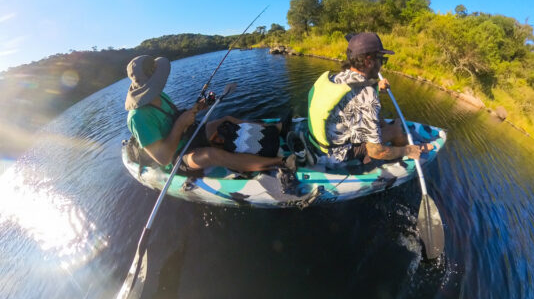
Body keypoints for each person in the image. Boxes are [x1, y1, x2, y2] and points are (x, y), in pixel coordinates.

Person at [124, 54, 295, 178]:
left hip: (190, 134)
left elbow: (176, 117)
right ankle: (279, 162)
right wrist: (180, 125)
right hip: (177, 157)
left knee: (226, 120)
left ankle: (278, 128)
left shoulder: (158, 94)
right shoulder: (138, 117)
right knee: (211, 155)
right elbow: (163, 158)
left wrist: (199, 108)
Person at [307, 32, 429, 167]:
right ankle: (406, 152)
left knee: (379, 118)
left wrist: (375, 86)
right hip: (335, 155)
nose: (382, 65)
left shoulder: (337, 78)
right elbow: (376, 151)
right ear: (369, 62)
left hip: (317, 144)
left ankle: (391, 131)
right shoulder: (367, 96)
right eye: (382, 60)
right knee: (396, 131)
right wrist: (406, 150)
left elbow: (354, 94)